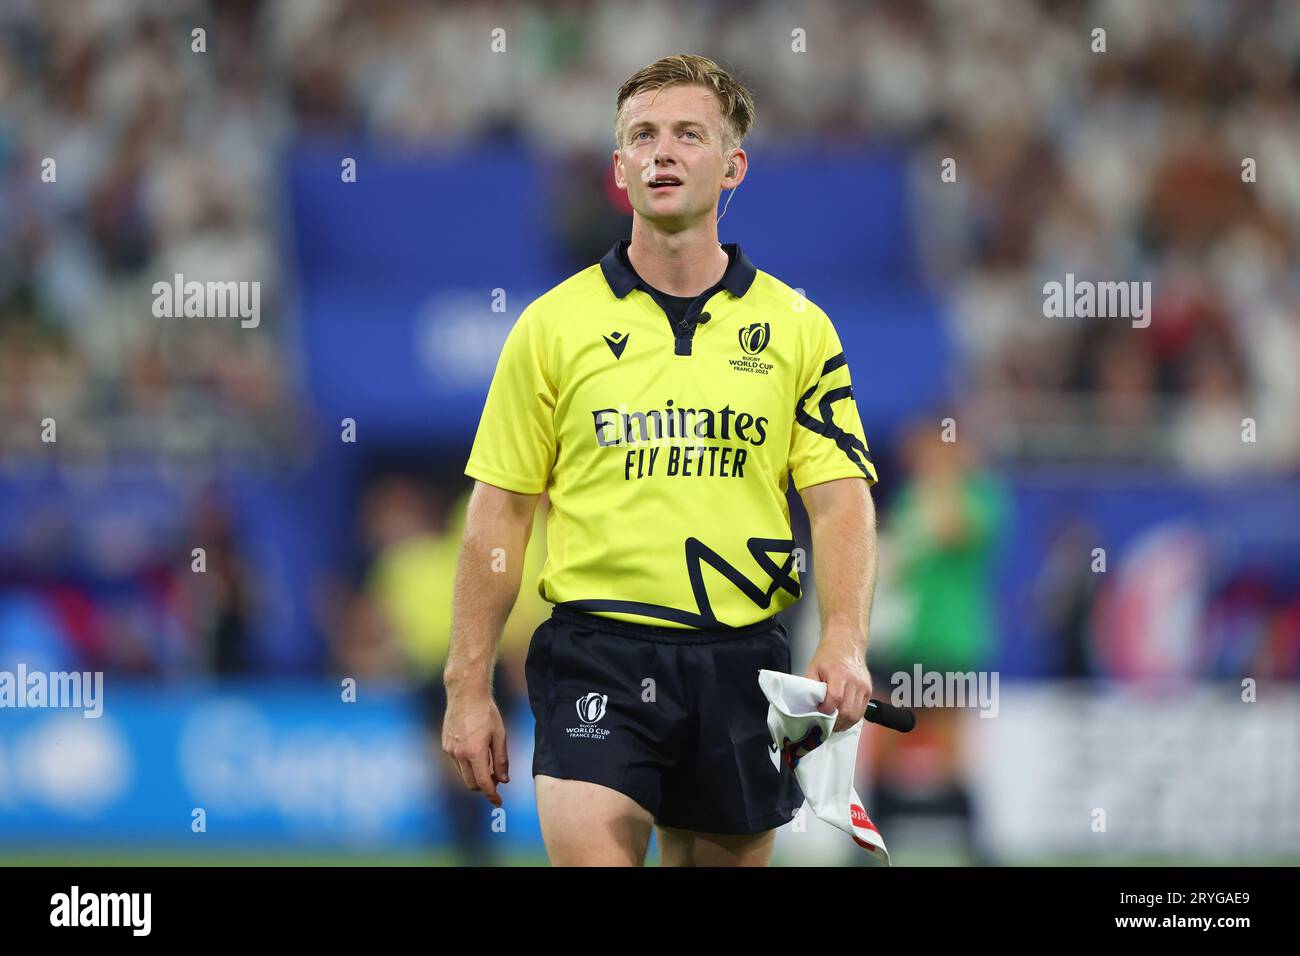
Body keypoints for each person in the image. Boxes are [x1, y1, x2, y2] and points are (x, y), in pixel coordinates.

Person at [443, 54, 880, 867]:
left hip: (742, 661)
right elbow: (497, 518)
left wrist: (845, 636)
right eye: (642, 136)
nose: (662, 152)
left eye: (687, 134)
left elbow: (840, 498)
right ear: (619, 168)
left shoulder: (798, 327)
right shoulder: (549, 326)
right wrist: (467, 685)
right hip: (595, 656)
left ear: (733, 166)